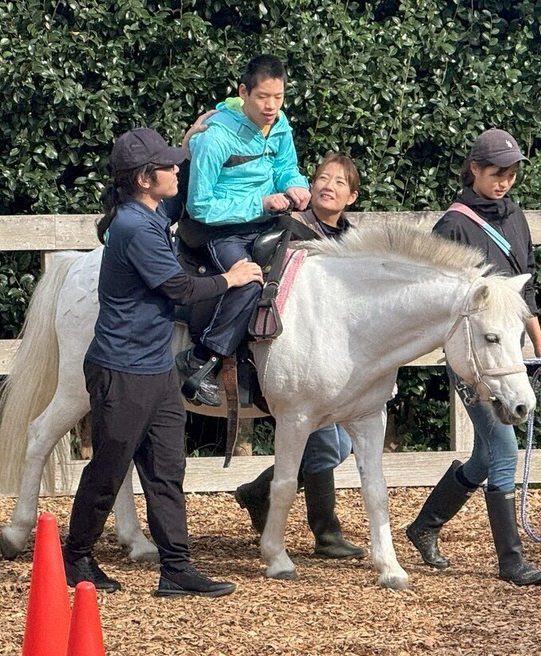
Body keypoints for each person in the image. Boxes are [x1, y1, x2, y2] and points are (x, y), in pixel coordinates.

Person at [62, 125, 263, 598]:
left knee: (167, 471)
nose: (176, 170)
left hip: (155, 370)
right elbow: (180, 288)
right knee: (108, 470)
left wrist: (194, 143)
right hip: (122, 371)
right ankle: (75, 557)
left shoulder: (150, 211)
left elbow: (185, 191)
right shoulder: (134, 228)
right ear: (143, 179)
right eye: (168, 166)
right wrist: (231, 279)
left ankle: (176, 568)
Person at [405, 128, 541, 586]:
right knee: (505, 450)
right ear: (474, 168)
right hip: (473, 357)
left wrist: (540, 346)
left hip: (508, 351)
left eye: (510, 174)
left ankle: (425, 525)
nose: (504, 182)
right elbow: (431, 294)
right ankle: (511, 561)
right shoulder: (452, 226)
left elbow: (524, 290)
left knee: (485, 456)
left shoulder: (515, 216)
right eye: (496, 173)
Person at [234, 153, 366, 559]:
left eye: (340, 182)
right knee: (325, 442)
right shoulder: (290, 228)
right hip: (296, 351)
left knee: (335, 444)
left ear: (352, 197)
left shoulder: (353, 241)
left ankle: (258, 491)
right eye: (323, 178)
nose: (329, 186)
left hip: (334, 356)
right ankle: (325, 532)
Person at [176, 54, 311, 406]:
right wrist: (261, 203)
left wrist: (296, 185)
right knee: (249, 282)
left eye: (278, 97)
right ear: (243, 92)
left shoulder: (279, 125)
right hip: (218, 232)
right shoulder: (214, 138)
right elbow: (199, 206)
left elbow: (286, 168)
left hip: (264, 223)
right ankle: (200, 357)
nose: (271, 106)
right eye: (263, 97)